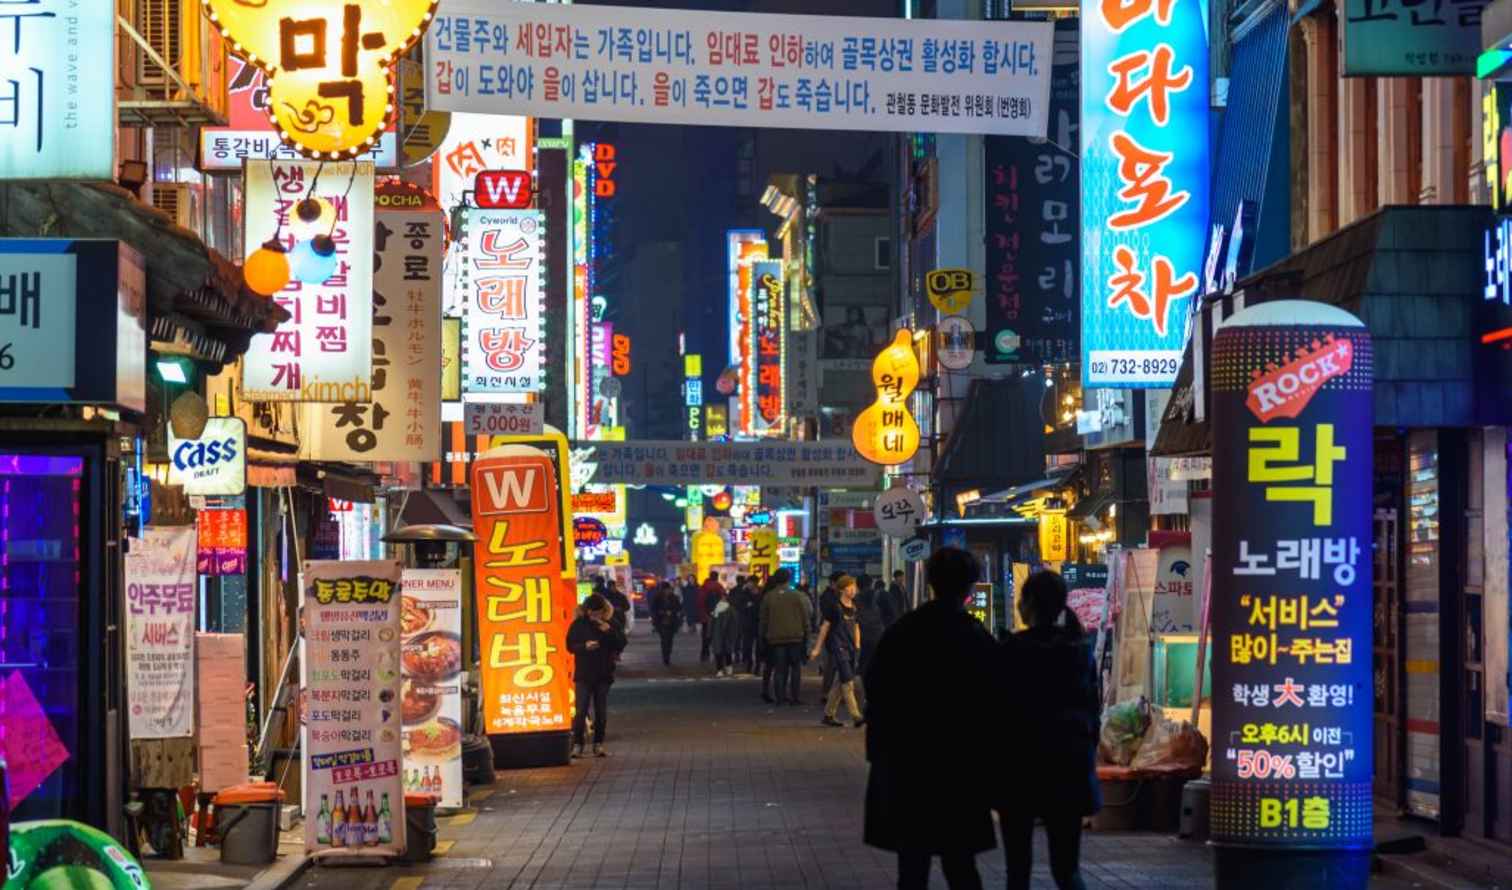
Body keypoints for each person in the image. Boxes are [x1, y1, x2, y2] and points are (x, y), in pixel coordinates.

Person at [863, 548, 1000, 890]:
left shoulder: (903, 632)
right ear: (969, 587)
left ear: (930, 581)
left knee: (912, 864)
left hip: (907, 764)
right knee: (961, 864)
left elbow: (876, 690)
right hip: (961, 766)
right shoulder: (976, 637)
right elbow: (997, 701)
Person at [997, 571, 1100, 890]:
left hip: (1019, 770)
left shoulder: (1012, 650)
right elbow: (1092, 713)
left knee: (1018, 870)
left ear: (1027, 604)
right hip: (1069, 767)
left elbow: (997, 712)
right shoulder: (1079, 650)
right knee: (1067, 869)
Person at [566, 594, 628, 758]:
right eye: (592, 613)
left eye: (599, 613)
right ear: (587, 611)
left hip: (603, 672)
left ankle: (598, 744)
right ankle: (578, 744)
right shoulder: (579, 624)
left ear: (604, 611)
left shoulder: (611, 623)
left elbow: (621, 643)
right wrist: (584, 646)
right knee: (580, 711)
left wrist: (609, 631)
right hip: (584, 674)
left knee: (601, 711)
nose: (596, 617)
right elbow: (569, 645)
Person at [812, 574, 863, 727]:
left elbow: (856, 627)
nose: (853, 590)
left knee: (841, 682)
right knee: (848, 681)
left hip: (851, 648)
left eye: (854, 587)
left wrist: (858, 645)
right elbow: (825, 627)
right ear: (842, 589)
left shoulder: (854, 606)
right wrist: (817, 648)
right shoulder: (834, 607)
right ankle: (856, 716)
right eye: (850, 587)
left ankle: (828, 715)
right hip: (837, 647)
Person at [758, 569, 811, 706]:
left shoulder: (769, 597)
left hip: (775, 639)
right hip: (795, 638)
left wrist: (762, 638)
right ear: (789, 579)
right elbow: (805, 618)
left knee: (779, 670)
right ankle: (795, 698)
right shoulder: (797, 596)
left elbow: (763, 620)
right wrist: (807, 635)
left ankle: (780, 698)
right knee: (795, 668)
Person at [853, 581, 886, 707]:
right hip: (876, 639)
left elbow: (857, 625)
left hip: (863, 641)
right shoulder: (876, 608)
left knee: (862, 667)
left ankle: (863, 697)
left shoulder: (858, 608)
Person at [817, 572, 843, 699]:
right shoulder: (827, 597)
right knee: (831, 666)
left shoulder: (840, 595)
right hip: (832, 635)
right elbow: (829, 615)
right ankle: (826, 693)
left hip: (842, 635)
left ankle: (838, 694)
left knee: (842, 666)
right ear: (834, 583)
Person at [730, 576, 760, 674]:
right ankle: (748, 663)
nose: (748, 584)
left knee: (759, 646)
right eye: (748, 582)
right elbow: (737, 604)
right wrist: (745, 605)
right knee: (747, 645)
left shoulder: (761, 592)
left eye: (750, 582)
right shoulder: (743, 593)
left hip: (758, 623)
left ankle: (758, 665)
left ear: (755, 583)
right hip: (746, 623)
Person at [710, 587, 741, 677]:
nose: (723, 598)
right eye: (721, 597)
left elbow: (735, 622)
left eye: (724, 597)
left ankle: (728, 667)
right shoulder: (716, 608)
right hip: (718, 633)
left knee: (727, 651)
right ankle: (720, 669)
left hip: (726, 633)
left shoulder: (729, 609)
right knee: (719, 651)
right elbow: (712, 622)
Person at [650, 582, 683, 667]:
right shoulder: (657, 597)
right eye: (665, 589)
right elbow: (653, 610)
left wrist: (672, 612)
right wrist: (663, 612)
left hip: (671, 622)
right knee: (665, 640)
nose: (667, 591)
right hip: (661, 622)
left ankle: (667, 655)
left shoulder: (674, 597)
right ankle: (666, 658)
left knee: (670, 640)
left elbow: (679, 608)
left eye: (668, 589)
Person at [697, 573, 724, 662]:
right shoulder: (719, 587)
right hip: (717, 616)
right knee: (717, 636)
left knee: (705, 636)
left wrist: (703, 614)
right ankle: (717, 654)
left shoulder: (704, 587)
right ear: (716, 577)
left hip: (706, 617)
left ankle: (704, 654)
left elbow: (700, 603)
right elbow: (724, 601)